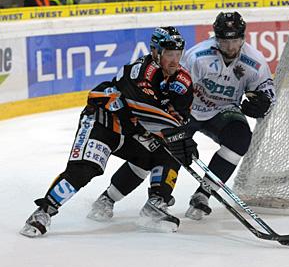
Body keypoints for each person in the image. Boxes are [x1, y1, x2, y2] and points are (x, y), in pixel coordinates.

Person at [87, 11, 275, 222]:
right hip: (186, 109)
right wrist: (168, 123)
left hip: (223, 111)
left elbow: (267, 90)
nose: (230, 47)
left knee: (240, 139)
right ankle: (110, 197)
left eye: (235, 40)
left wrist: (263, 103)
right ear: (216, 37)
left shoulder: (254, 62)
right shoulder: (197, 56)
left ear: (243, 37)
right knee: (163, 147)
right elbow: (170, 87)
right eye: (224, 40)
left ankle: (202, 195)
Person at [20, 27, 197, 237]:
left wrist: (181, 137)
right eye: (169, 54)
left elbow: (181, 118)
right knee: (85, 169)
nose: (175, 61)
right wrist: (177, 134)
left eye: (178, 54)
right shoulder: (141, 71)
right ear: (155, 52)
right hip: (103, 122)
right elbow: (144, 109)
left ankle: (154, 205)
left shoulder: (182, 82)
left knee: (167, 153)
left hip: (133, 130)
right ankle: (42, 212)